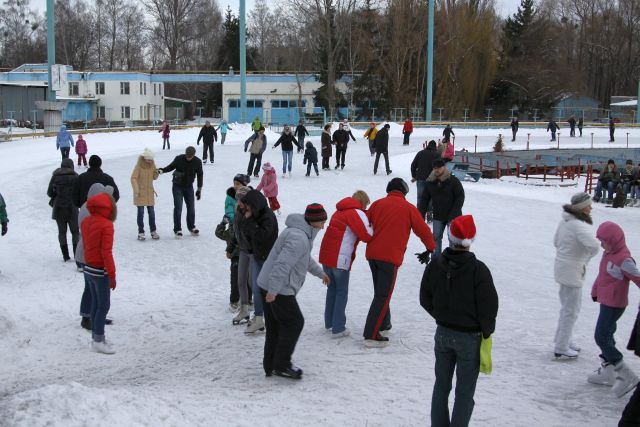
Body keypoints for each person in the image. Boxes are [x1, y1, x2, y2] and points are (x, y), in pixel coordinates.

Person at [420, 214, 499, 427]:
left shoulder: (435, 264)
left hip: (443, 333)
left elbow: (424, 297)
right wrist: (486, 330)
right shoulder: (478, 270)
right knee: (464, 392)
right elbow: (489, 305)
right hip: (469, 338)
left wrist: (440, 315)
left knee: (441, 387)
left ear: (449, 236)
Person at [257, 204, 330, 379]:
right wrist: (273, 291)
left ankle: (271, 365)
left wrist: (320, 273)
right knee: (294, 322)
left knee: (275, 326)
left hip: (269, 284)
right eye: (321, 221)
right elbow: (282, 265)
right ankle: (281, 365)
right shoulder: (298, 238)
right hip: (278, 288)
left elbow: (303, 258)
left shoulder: (300, 233)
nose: (323, 225)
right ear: (312, 221)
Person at [363, 178, 436, 347]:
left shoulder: (377, 204)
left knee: (380, 292)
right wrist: (430, 248)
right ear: (404, 191)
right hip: (389, 258)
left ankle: (384, 322)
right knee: (383, 294)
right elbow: (423, 230)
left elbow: (365, 222)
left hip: (372, 255)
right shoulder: (408, 208)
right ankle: (371, 334)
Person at [589, 221, 640, 397]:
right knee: (607, 335)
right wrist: (595, 291)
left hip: (615, 305)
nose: (602, 244)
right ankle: (608, 372)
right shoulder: (608, 254)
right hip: (606, 301)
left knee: (601, 336)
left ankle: (625, 373)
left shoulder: (623, 259)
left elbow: (637, 277)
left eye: (604, 241)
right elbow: (602, 275)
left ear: (614, 240)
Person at [552, 192, 600, 359]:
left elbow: (556, 242)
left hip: (563, 267)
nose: (591, 207)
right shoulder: (578, 225)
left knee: (567, 307)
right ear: (582, 208)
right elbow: (594, 246)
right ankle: (562, 345)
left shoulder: (566, 221)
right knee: (571, 310)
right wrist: (583, 260)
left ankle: (563, 339)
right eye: (589, 205)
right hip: (572, 271)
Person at [319, 191, 373, 338]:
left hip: (326, 256)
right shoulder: (356, 212)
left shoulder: (339, 211)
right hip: (339, 259)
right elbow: (367, 235)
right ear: (363, 202)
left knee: (332, 290)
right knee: (341, 292)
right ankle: (338, 327)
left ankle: (329, 322)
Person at [81, 192, 118, 354]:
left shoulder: (86, 221)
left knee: (95, 304)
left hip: (88, 267)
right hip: (99, 270)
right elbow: (106, 252)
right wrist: (112, 274)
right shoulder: (107, 225)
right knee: (103, 305)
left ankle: (97, 338)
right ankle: (98, 340)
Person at [76, 183, 115, 330]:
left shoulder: (88, 207)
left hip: (87, 252)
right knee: (90, 288)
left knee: (92, 288)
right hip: (87, 253)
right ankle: (87, 317)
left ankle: (94, 316)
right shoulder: (88, 210)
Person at [241, 189, 279, 334]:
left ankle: (273, 318)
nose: (246, 208)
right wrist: (248, 219)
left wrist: (250, 221)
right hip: (257, 257)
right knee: (256, 288)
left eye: (247, 206)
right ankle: (258, 319)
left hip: (268, 259)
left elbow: (262, 237)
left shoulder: (268, 216)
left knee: (268, 289)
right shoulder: (254, 215)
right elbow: (247, 234)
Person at [419, 158, 465, 256]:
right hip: (438, 216)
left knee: (453, 240)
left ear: (444, 167)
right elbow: (424, 199)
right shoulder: (430, 182)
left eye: (439, 167)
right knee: (435, 239)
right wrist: (421, 214)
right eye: (435, 168)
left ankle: (453, 261)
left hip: (453, 216)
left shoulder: (453, 181)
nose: (437, 170)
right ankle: (436, 262)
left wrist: (454, 213)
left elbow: (460, 196)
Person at [158, 146, 203, 237]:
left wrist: (199, 189)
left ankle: (191, 227)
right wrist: (162, 170)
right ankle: (177, 229)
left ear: (194, 155)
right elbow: (171, 166)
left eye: (190, 156)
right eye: (187, 156)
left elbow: (200, 175)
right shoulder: (179, 158)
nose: (188, 158)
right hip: (177, 186)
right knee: (178, 208)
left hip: (189, 187)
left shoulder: (197, 162)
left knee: (191, 207)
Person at [47, 159, 79, 262]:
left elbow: (49, 193)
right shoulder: (75, 176)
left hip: (59, 208)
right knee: (75, 232)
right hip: (72, 208)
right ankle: (76, 254)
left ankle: (65, 256)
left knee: (62, 232)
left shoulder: (55, 177)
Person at [231, 185, 254, 324]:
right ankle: (244, 309)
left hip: (254, 252)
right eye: (237, 199)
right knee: (241, 281)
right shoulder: (238, 210)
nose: (238, 202)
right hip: (243, 250)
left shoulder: (254, 212)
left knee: (253, 282)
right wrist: (231, 247)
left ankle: (260, 315)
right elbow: (236, 231)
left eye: (240, 200)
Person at [131, 148, 160, 241]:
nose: (149, 161)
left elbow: (154, 177)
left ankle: (153, 231)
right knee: (141, 213)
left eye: (151, 160)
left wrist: (157, 172)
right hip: (140, 193)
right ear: (144, 158)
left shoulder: (152, 165)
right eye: (148, 160)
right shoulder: (139, 166)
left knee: (151, 213)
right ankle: (141, 232)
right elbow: (133, 178)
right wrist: (136, 190)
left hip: (149, 193)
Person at [411, 140, 441, 216]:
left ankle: (419, 214)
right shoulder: (437, 155)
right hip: (432, 180)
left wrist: (414, 176)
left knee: (420, 197)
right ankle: (429, 214)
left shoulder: (420, 153)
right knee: (430, 197)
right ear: (435, 147)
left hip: (420, 178)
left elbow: (413, 165)